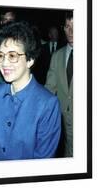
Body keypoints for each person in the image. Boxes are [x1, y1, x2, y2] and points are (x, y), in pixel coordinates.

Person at [0, 21, 61, 161]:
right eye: (1, 55)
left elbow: (42, 164)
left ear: (30, 60)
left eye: (12, 56)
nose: (4, 63)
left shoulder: (48, 104)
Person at [45, 12, 73, 157]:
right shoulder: (57, 56)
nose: (71, 31)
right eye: (68, 26)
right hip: (65, 120)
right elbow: (49, 88)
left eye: (75, 26)